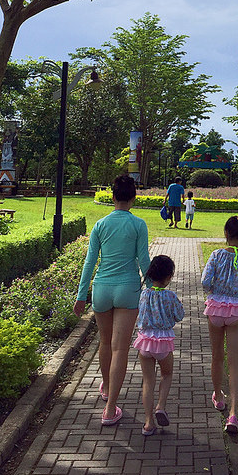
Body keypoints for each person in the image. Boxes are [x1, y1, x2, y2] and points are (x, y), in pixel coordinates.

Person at [73, 174, 151, 426]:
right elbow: (144, 261)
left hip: (102, 289)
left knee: (105, 343)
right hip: (127, 289)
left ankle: (106, 386)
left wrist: (80, 295)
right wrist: (153, 289)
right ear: (133, 198)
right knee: (120, 348)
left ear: (113, 196)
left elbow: (89, 263)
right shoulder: (139, 225)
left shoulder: (100, 225)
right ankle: (109, 408)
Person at [201, 210, 238, 435]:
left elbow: (205, 281)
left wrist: (215, 291)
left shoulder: (216, 255)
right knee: (235, 362)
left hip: (215, 309)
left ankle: (218, 395)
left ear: (226, 233)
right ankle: (234, 413)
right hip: (236, 311)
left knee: (217, 356)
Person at [133, 255, 185, 435]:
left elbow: (141, 315)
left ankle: (148, 422)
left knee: (148, 380)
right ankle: (160, 406)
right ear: (169, 276)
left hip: (145, 341)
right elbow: (179, 315)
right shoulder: (170, 296)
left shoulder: (144, 294)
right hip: (163, 342)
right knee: (167, 374)